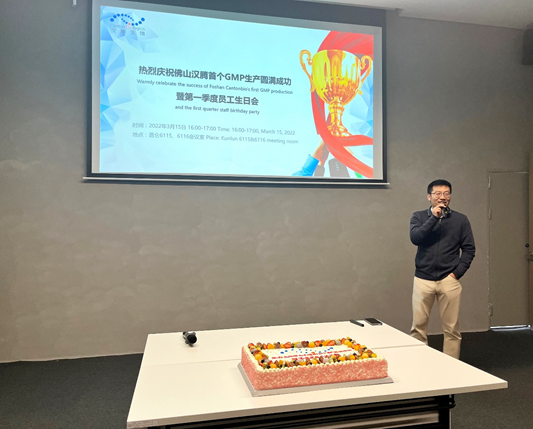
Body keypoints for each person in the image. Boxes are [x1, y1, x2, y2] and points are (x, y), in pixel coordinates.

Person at [409, 179, 475, 359]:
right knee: (418, 328)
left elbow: (469, 249)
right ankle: (418, 364)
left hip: (449, 280)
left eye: (446, 193)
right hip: (423, 279)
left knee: (452, 329)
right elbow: (416, 238)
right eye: (437, 193)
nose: (442, 197)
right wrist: (434, 217)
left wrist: (456, 274)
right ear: (429, 196)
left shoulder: (460, 220)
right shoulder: (418, 217)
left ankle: (451, 368)